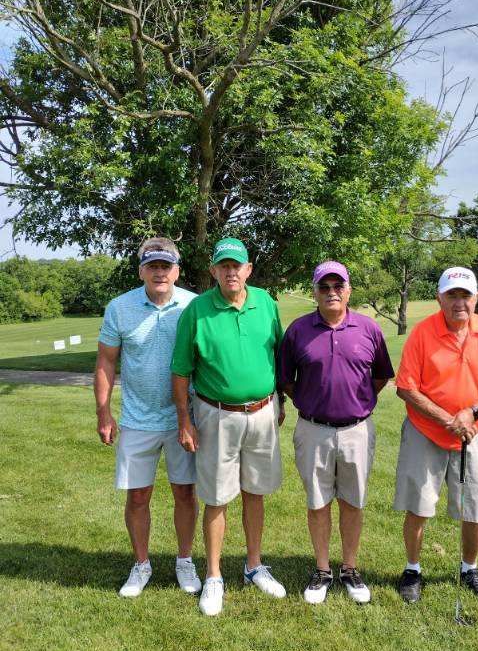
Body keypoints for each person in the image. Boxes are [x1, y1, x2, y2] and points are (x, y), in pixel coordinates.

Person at [171, 237, 286, 616]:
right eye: (224, 266)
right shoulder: (197, 310)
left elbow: (277, 355)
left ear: (248, 269)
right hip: (216, 414)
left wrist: (280, 401)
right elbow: (181, 370)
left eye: (237, 265)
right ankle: (215, 575)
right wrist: (184, 420)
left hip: (263, 412)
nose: (231, 271)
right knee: (217, 496)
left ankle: (254, 566)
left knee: (256, 491)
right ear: (214, 271)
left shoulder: (266, 303)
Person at [278, 261, 395, 604]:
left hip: (357, 430)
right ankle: (322, 569)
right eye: (324, 287)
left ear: (348, 290)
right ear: (314, 292)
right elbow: (285, 379)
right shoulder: (299, 330)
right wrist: (308, 400)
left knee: (353, 501)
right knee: (318, 502)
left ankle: (350, 567)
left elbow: (381, 375)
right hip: (313, 429)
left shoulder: (369, 328)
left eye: (337, 286)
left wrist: (359, 401)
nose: (331, 292)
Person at [394, 266, 478, 603]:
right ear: (439, 298)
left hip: (472, 432)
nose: (459, 302)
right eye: (451, 294)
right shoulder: (422, 333)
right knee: (419, 504)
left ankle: (469, 568)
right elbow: (406, 387)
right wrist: (448, 418)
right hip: (425, 430)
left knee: (475, 506)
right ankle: (412, 569)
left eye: (465, 295)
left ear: (476, 298)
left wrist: (471, 413)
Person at [94, 238, 201, 598]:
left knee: (185, 493)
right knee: (138, 496)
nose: (159, 272)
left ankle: (184, 561)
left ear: (177, 271)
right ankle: (141, 565)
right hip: (138, 419)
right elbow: (107, 361)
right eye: (152, 266)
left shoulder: (194, 305)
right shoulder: (120, 308)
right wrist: (104, 411)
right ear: (141, 270)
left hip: (183, 417)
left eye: (166, 266)